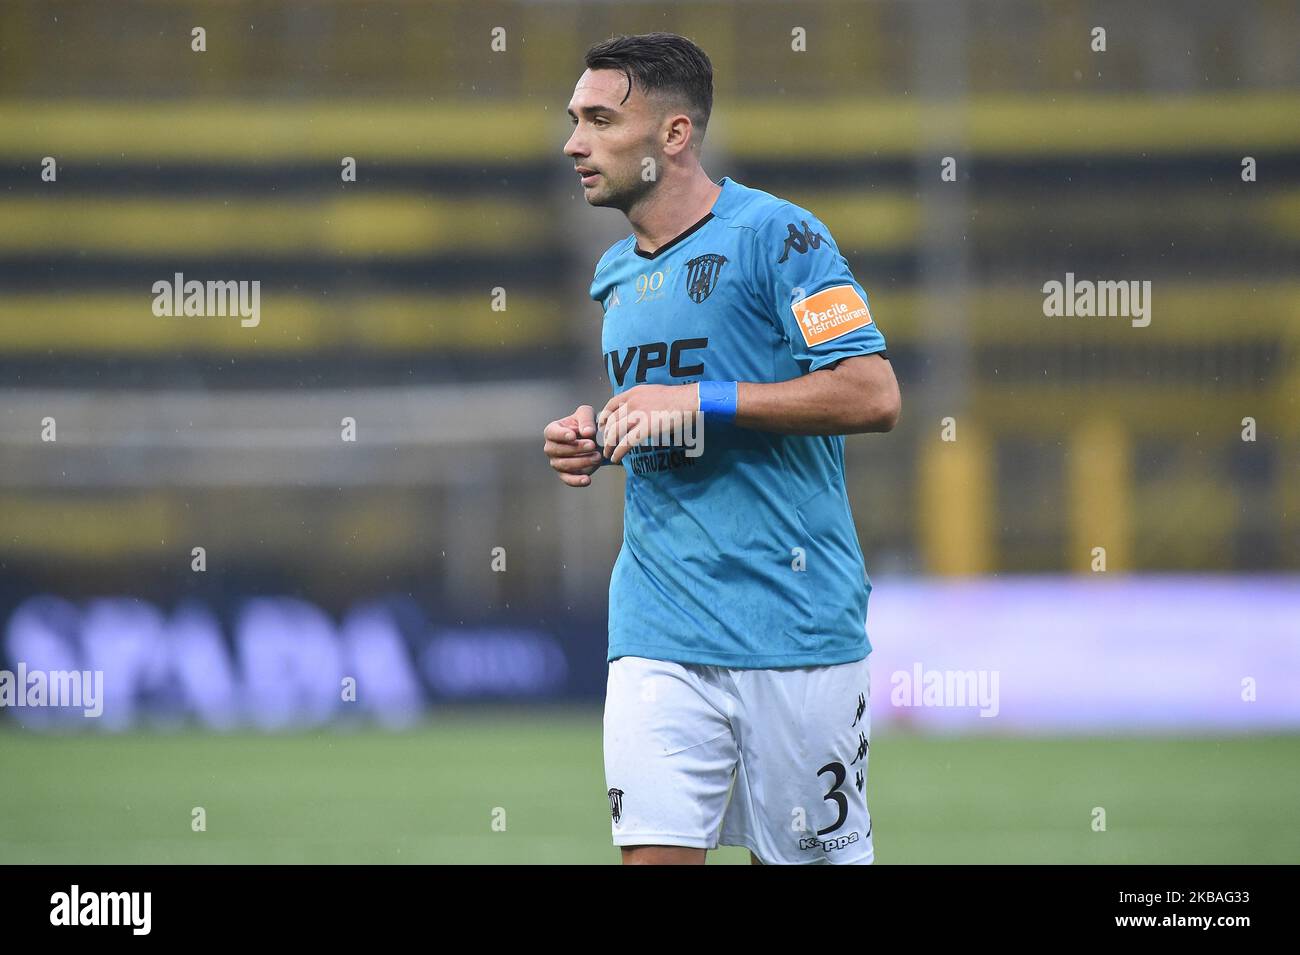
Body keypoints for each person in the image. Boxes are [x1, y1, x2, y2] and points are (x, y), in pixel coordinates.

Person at [544, 32, 901, 865]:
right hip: (657, 626)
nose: (573, 143)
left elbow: (872, 392)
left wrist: (696, 399)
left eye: (600, 119)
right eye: (574, 120)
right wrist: (599, 437)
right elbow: (669, 416)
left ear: (673, 135)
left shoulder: (783, 239)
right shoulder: (613, 276)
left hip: (793, 626)